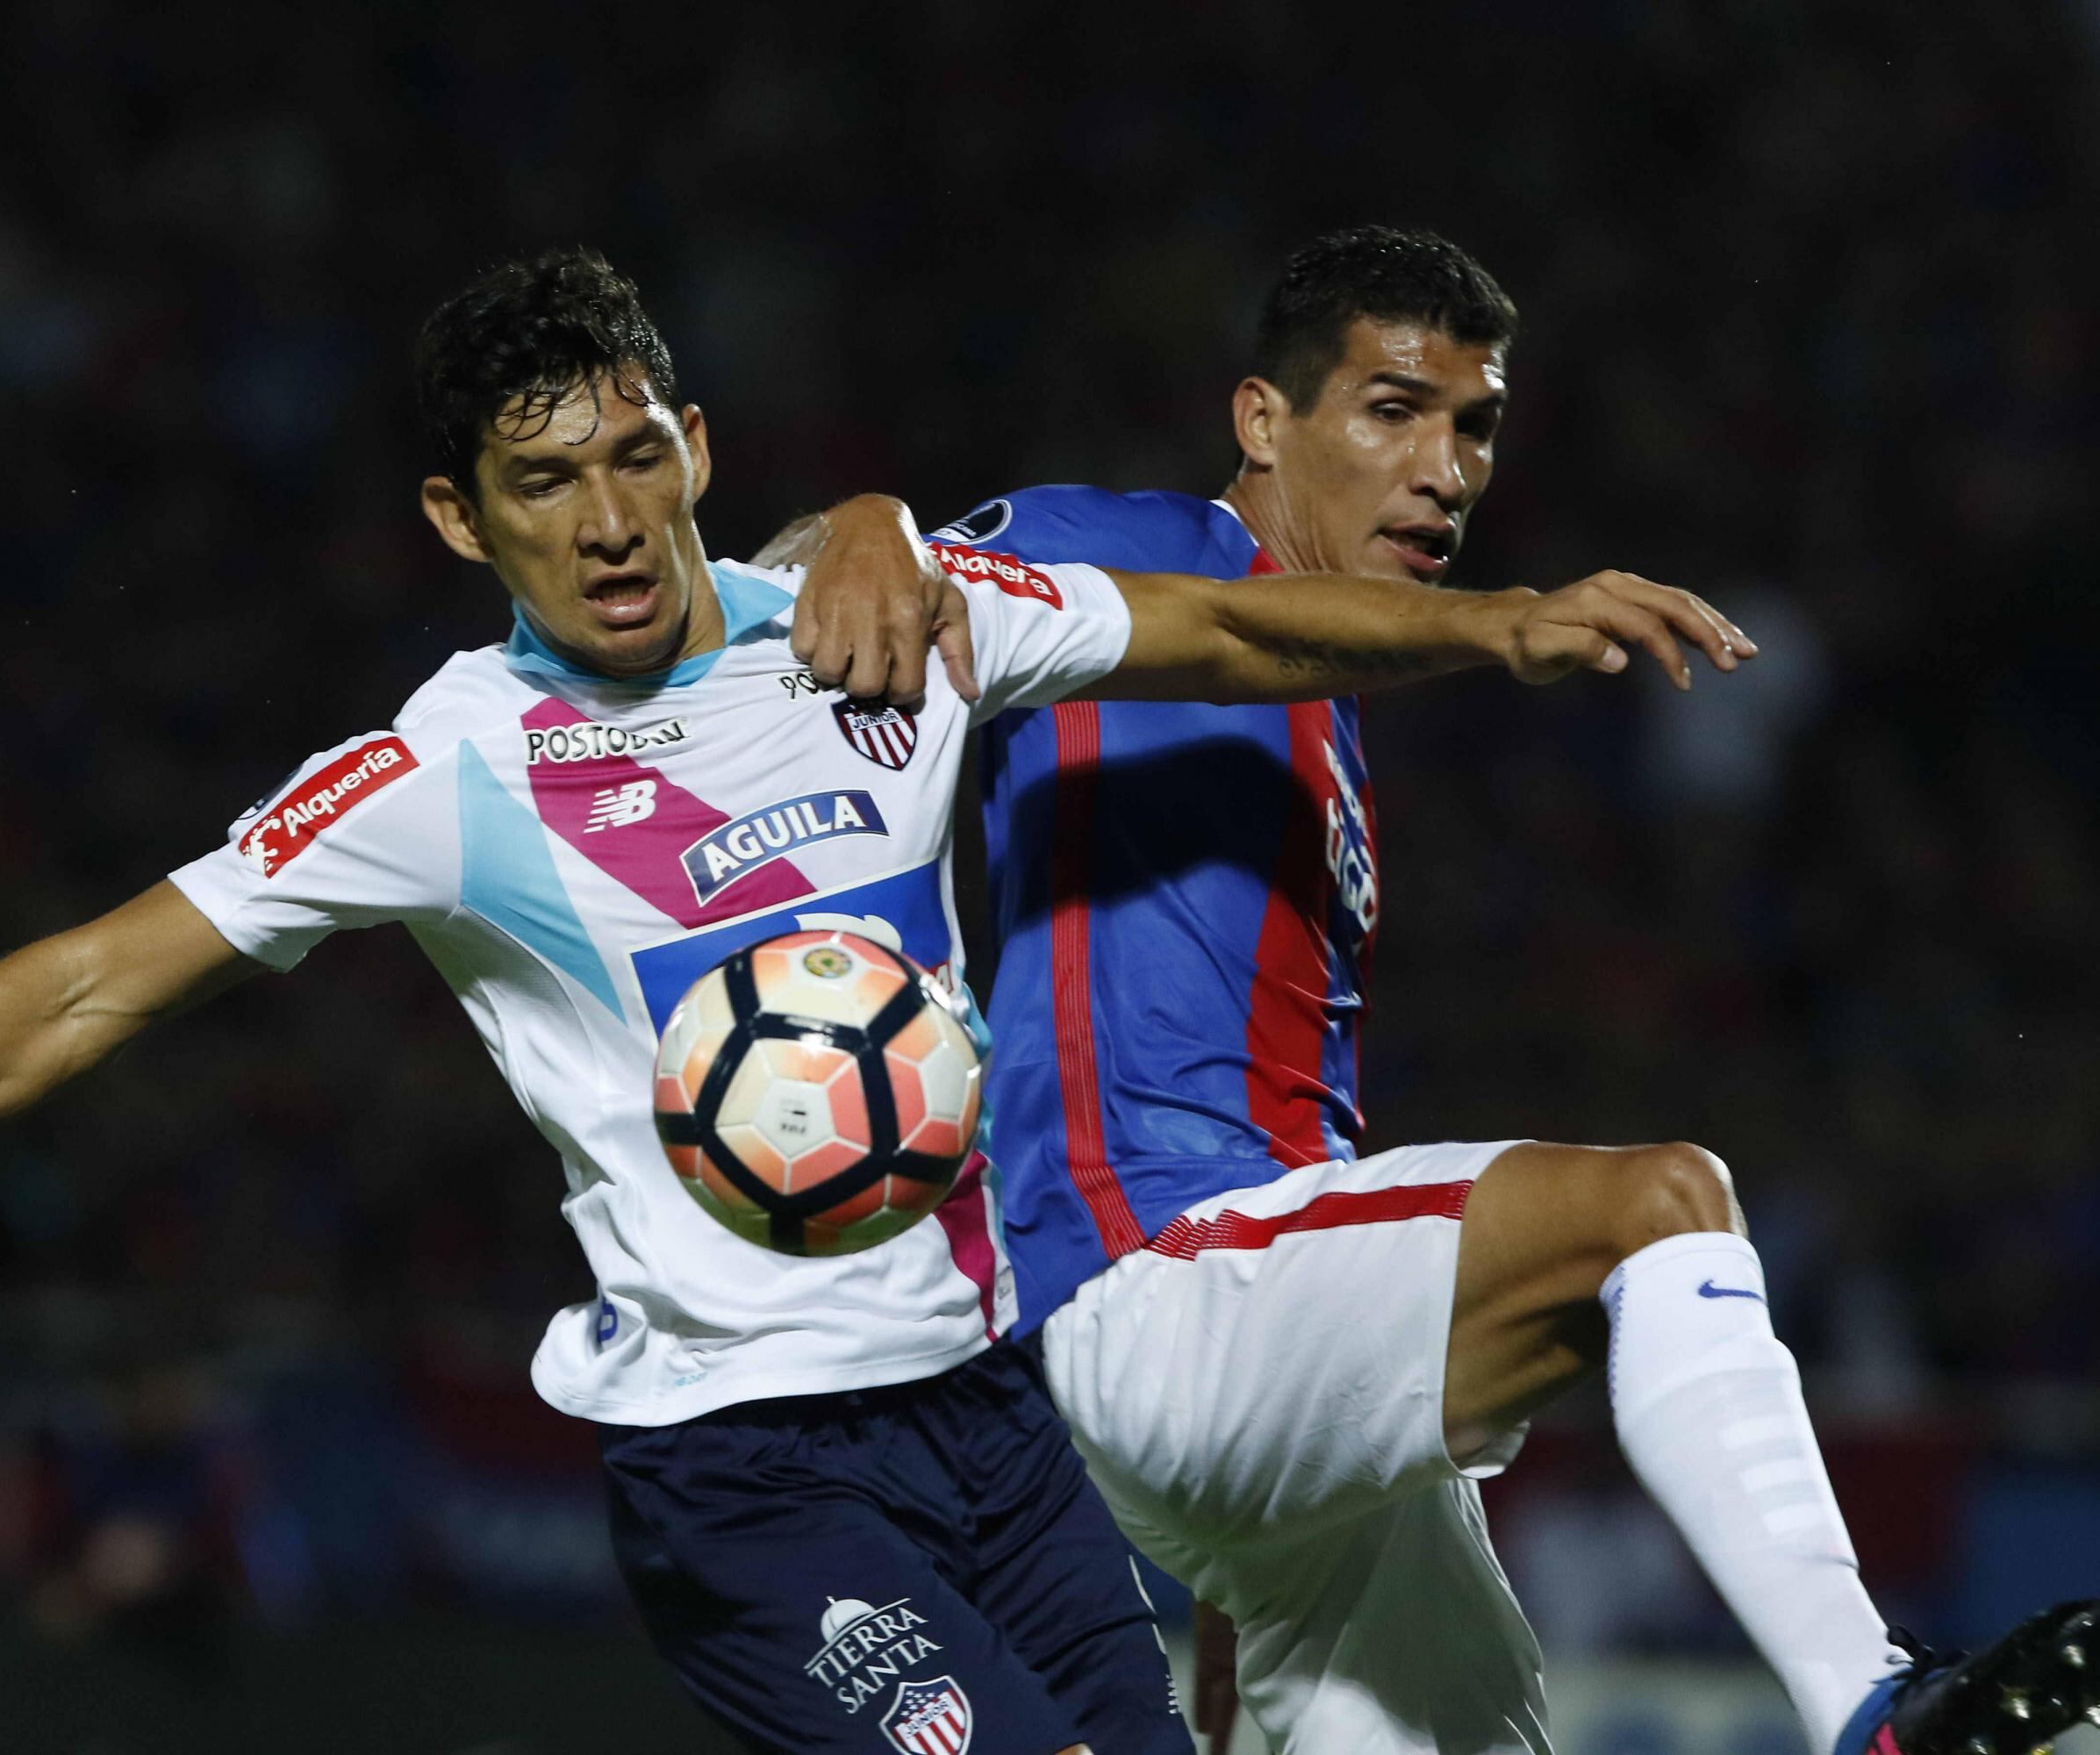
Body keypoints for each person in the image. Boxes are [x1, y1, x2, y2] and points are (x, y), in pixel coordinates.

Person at [0, 245, 1744, 1755]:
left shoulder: (878, 628)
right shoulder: (448, 770)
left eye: (633, 454)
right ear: (453, 518)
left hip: (993, 1425)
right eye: (540, 481)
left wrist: (1505, 624)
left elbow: (1234, 631)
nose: (606, 519)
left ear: (692, 432)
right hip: (752, 1482)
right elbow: (100, 978)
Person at [793, 226, 2097, 1755]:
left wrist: (1247, 1562)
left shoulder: (1335, 724)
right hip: (1145, 1270)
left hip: (1257, 1353)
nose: (1447, 469)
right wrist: (864, 520)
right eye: (1392, 410)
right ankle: (1878, 1705)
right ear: (1263, 422)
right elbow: (846, 576)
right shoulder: (1128, 547)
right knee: (1658, 1208)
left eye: (1473, 423)